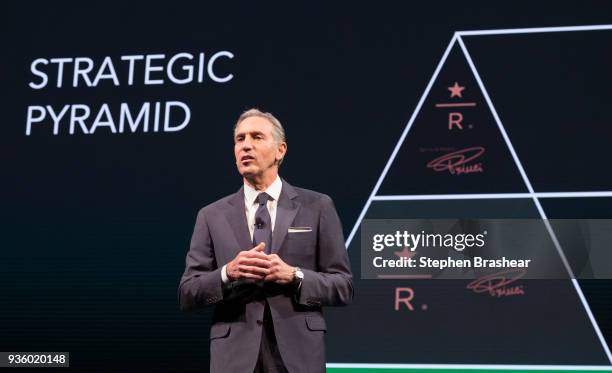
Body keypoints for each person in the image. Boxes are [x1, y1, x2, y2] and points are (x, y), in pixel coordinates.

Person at [178, 108, 353, 373]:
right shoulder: (210, 215)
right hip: (234, 357)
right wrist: (228, 273)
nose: (245, 145)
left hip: (298, 356)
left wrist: (294, 276)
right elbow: (188, 293)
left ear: (280, 150)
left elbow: (343, 286)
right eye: (239, 139)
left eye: (257, 137)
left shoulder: (317, 206)